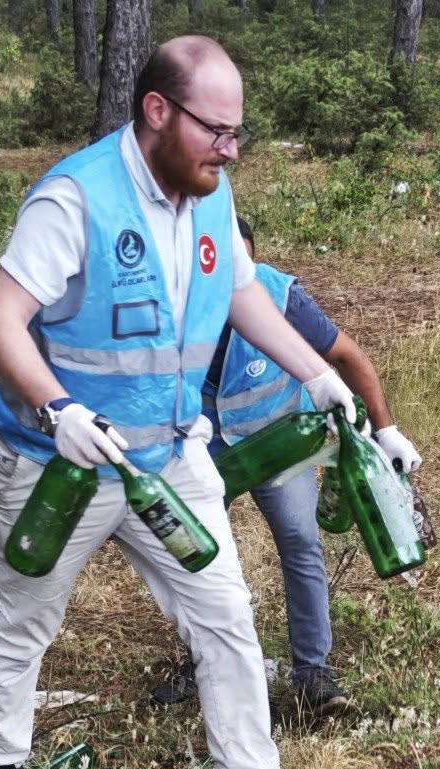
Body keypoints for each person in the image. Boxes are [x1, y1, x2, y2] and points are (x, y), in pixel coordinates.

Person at [0, 35, 358, 769]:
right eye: (217, 130)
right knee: (25, 619)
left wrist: (317, 374)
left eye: (238, 133)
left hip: (169, 460)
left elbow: (242, 292)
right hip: (57, 464)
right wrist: (58, 407)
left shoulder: (211, 194)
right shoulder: (74, 200)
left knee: (225, 619)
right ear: (157, 112)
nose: (231, 149)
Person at [155, 219, 420, 717]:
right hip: (205, 446)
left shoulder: (279, 297)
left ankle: (313, 671)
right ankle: (204, 660)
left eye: (240, 269)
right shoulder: (170, 304)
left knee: (301, 540)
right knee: (196, 552)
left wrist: (385, 431)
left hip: (281, 442)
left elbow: (349, 356)